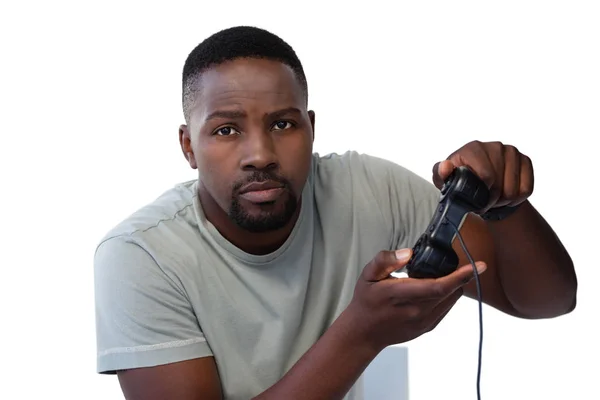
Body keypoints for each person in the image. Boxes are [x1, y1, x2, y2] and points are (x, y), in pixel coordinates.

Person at [93, 25, 577, 400]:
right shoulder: (140, 256)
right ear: (187, 146)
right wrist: (361, 333)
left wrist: (506, 207)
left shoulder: (369, 188)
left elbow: (547, 300)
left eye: (283, 123)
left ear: (311, 127)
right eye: (225, 130)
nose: (259, 153)